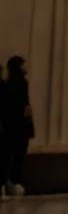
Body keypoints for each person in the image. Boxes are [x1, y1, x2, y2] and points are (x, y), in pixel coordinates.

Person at [1, 56, 34, 195]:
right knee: (17, 156)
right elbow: (24, 107)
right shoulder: (21, 83)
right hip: (19, 127)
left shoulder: (7, 83)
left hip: (10, 127)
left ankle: (8, 183)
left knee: (8, 156)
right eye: (23, 64)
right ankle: (14, 182)